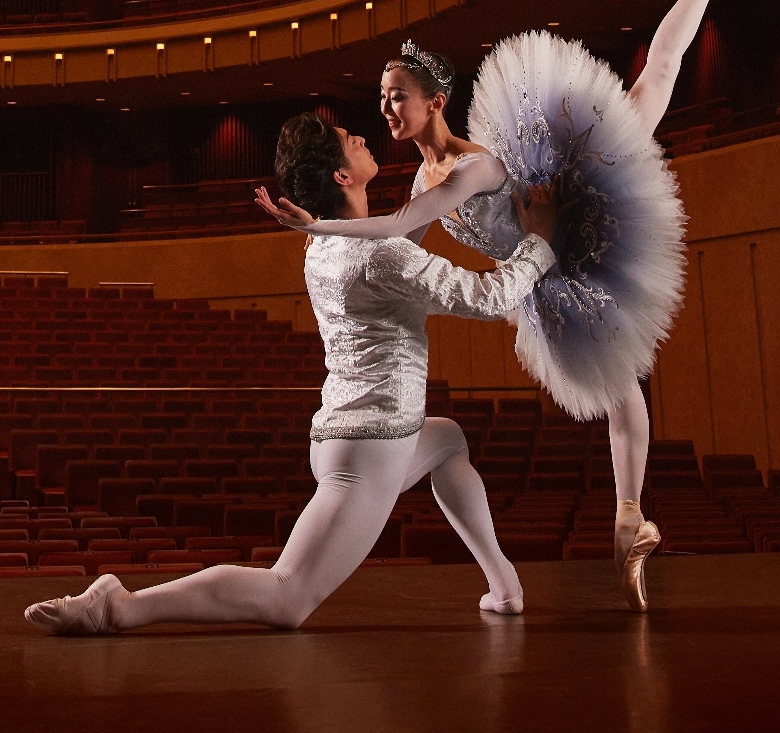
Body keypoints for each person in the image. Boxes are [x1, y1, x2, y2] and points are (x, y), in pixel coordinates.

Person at [256, 0, 755, 612]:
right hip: (542, 268)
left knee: (654, 82)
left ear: (435, 102)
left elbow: (394, 230)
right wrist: (328, 236)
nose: (387, 107)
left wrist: (318, 228)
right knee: (618, 384)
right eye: (382, 96)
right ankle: (630, 519)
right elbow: (395, 241)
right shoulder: (423, 180)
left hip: (570, 208)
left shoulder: (470, 170)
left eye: (398, 95)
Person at [25, 113, 559, 636]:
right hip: (371, 449)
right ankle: (120, 606)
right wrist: (539, 240)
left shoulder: (324, 243)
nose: (360, 135)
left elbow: (395, 250)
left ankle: (503, 586)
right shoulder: (378, 255)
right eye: (349, 139)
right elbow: (490, 298)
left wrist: (434, 190)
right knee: (287, 596)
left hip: (352, 438)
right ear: (342, 176)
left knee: (448, 440)